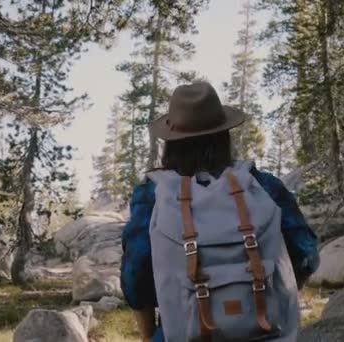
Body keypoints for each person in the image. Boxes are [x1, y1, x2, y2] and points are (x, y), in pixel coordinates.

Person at [120, 81, 319, 342]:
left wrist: (149, 336)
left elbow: (135, 278)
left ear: (171, 142)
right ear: (224, 134)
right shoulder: (263, 185)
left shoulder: (152, 195)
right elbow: (306, 254)